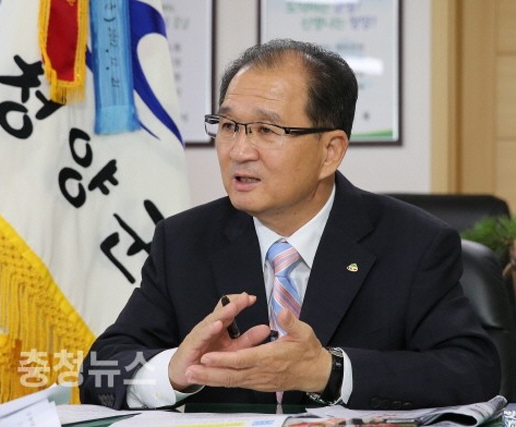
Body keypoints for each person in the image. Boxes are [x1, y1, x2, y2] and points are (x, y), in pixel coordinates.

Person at [79, 39, 500, 410]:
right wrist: (174, 371)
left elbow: (473, 371)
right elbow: (98, 371)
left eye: (266, 130)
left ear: (330, 151)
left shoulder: (413, 243)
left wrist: (330, 372)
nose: (239, 151)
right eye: (228, 126)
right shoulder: (184, 241)